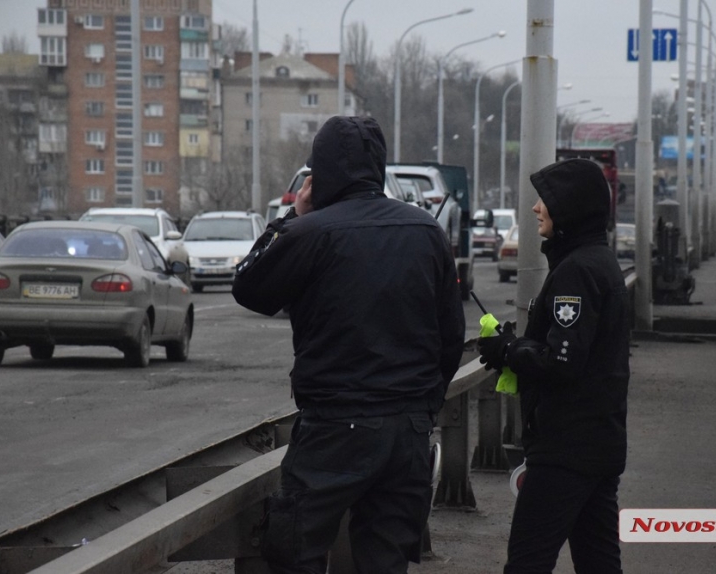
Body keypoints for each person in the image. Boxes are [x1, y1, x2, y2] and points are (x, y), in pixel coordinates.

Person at [232, 115, 465, 574]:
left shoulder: (310, 232)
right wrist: (422, 408)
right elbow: (451, 337)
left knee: (294, 552)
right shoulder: (425, 231)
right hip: (408, 431)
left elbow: (249, 288)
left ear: (320, 174)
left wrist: (290, 218)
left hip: (335, 429)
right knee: (387, 560)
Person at [477, 158, 630, 574]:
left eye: (545, 199)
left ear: (570, 208)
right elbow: (582, 351)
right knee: (599, 563)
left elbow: (562, 362)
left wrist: (508, 351)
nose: (535, 208)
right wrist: (521, 344)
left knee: (527, 562)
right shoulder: (599, 261)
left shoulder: (576, 272)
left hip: (566, 449)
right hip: (599, 442)